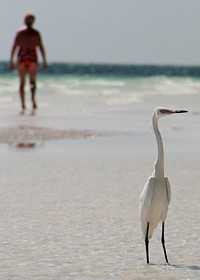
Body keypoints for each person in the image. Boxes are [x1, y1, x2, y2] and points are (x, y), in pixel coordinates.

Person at [9, 13, 47, 114]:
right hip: (32, 57)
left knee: (22, 83)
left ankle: (23, 104)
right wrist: (44, 61)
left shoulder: (19, 33)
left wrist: (11, 61)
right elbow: (41, 47)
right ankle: (33, 100)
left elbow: (14, 47)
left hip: (22, 57)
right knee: (32, 82)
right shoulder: (36, 33)